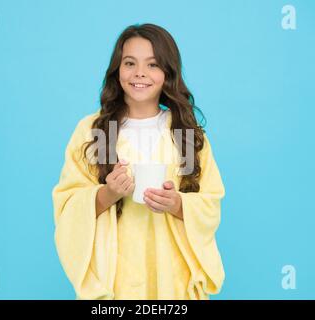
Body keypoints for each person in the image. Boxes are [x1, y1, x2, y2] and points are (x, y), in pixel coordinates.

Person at [52, 23, 226, 300]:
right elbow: (67, 206)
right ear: (117, 70)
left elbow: (210, 203)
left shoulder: (185, 132)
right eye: (130, 63)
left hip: (173, 280)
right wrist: (108, 193)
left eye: (153, 64)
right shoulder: (96, 130)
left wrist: (178, 204)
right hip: (116, 278)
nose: (140, 73)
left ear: (168, 73)